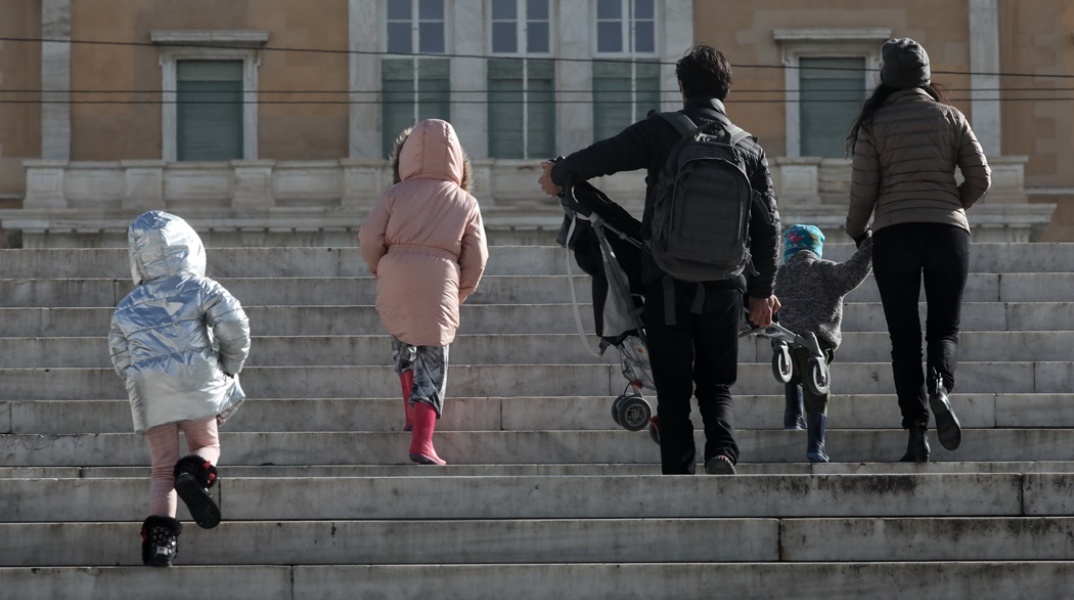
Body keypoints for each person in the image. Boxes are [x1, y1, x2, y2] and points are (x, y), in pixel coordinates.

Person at [539, 45, 781, 475]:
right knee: (717, 384)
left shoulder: (661, 131)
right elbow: (769, 226)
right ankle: (722, 452)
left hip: (667, 280)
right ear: (726, 89)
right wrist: (763, 291)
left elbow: (601, 157)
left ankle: (679, 477)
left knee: (673, 391)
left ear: (682, 87)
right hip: (727, 282)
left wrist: (559, 175)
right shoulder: (749, 148)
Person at [845, 38, 991, 463]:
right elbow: (981, 177)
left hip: (895, 234)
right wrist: (950, 207)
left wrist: (857, 231)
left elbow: (863, 191)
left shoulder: (875, 124)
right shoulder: (951, 117)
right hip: (948, 233)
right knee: (944, 330)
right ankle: (940, 386)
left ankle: (916, 434)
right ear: (926, 76)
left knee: (904, 339)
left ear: (886, 78)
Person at [108, 211, 251, 567]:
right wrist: (229, 367)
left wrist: (138, 381)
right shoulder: (201, 288)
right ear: (188, 247)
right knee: (205, 443)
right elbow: (235, 327)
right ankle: (197, 470)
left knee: (161, 470)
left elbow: (119, 355)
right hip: (197, 377)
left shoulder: (127, 305)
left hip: (150, 390)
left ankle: (160, 542)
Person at [359, 118, 489, 466]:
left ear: (407, 156)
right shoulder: (465, 201)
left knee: (404, 343)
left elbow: (368, 238)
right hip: (440, 278)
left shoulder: (394, 194)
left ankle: (409, 413)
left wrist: (381, 269)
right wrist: (459, 293)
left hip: (395, 273)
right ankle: (423, 441)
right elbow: (477, 258)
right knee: (433, 358)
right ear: (457, 161)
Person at [774, 224, 874, 463]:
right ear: (816, 248)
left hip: (786, 340)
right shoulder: (827, 271)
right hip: (817, 345)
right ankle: (816, 445)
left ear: (788, 249)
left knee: (790, 367)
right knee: (817, 390)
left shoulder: (777, 274)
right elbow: (854, 270)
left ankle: (792, 415)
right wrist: (870, 245)